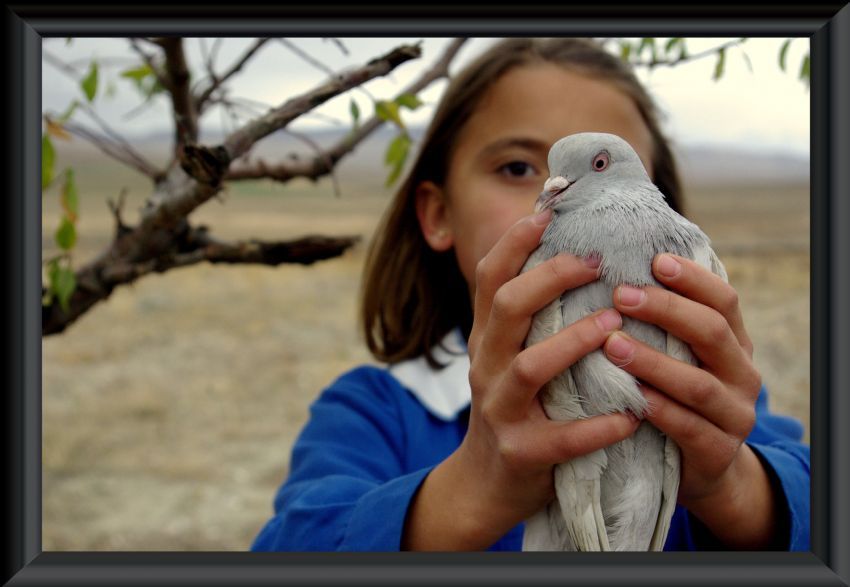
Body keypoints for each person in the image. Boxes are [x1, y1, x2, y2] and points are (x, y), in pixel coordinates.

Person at [251, 38, 810, 552]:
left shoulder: (713, 398)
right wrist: (472, 490)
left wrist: (731, 484)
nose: (552, 188)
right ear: (439, 215)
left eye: (597, 166)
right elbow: (290, 545)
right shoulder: (373, 411)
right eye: (517, 166)